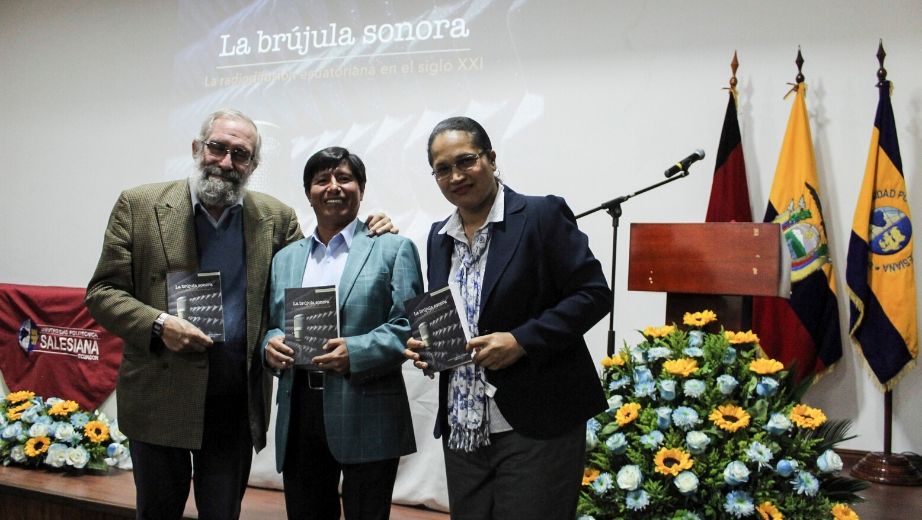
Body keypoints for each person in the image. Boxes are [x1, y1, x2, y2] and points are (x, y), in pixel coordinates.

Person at [85, 109, 395, 519]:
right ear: (197, 149)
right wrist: (159, 325)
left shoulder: (276, 217)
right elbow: (102, 292)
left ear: (253, 165)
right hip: (161, 397)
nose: (227, 162)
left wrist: (366, 229)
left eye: (241, 154)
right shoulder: (139, 205)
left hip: (234, 403)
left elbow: (309, 277)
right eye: (218, 148)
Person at [405, 117, 612, 520]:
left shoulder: (540, 214)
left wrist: (521, 341)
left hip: (537, 419)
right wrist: (430, 347)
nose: (456, 176)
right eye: (443, 169)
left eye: (466, 161)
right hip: (463, 425)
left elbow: (593, 294)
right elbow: (455, 313)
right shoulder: (437, 235)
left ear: (491, 158)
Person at [262, 146, 423, 520]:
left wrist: (357, 351)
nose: (333, 187)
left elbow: (410, 325)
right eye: (322, 180)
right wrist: (268, 345)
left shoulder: (393, 248)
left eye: (344, 178)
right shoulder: (285, 258)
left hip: (368, 407)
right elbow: (271, 324)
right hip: (300, 408)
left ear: (361, 189)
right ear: (309, 192)